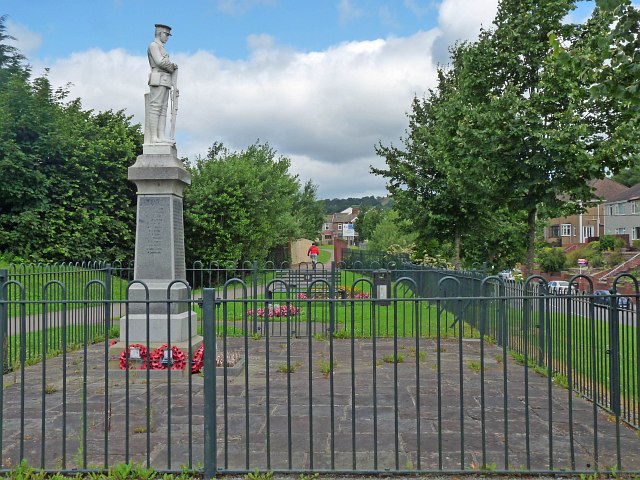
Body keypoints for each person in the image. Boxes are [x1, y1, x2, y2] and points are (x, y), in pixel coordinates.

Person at [147, 24, 177, 144]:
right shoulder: (153, 45)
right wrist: (171, 66)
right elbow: (159, 62)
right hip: (157, 77)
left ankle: (161, 136)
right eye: (166, 35)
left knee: (163, 109)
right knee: (155, 108)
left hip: (165, 79)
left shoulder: (162, 47)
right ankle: (154, 137)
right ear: (160, 33)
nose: (167, 37)